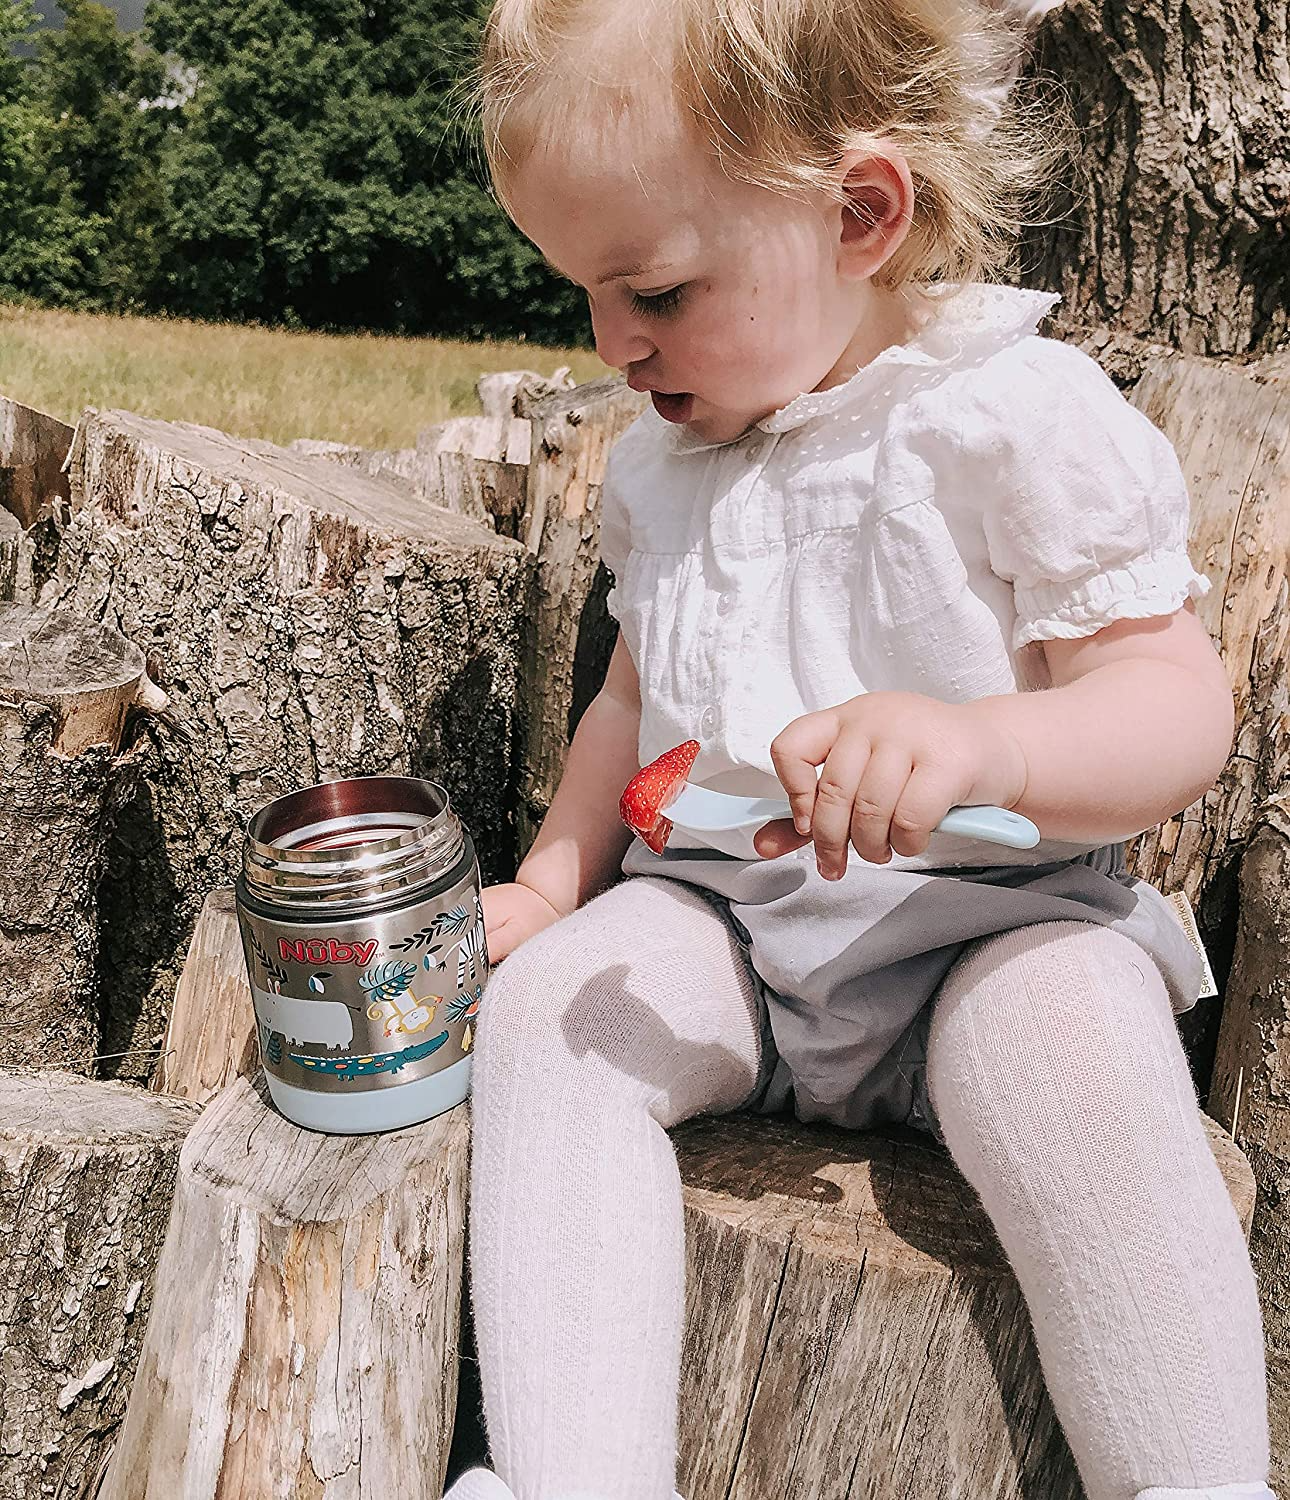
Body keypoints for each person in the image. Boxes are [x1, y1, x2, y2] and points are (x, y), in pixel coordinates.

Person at [446, 0, 1274, 1495]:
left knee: (1083, 1053)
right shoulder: (662, 463)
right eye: (583, 292)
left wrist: (980, 744)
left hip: (988, 930)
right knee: (548, 1030)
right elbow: (631, 711)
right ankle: (571, 1471)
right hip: (729, 930)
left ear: (859, 212)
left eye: (656, 288)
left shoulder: (1005, 416)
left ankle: (1193, 1475)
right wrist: (559, 886)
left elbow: (1172, 711)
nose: (614, 341)